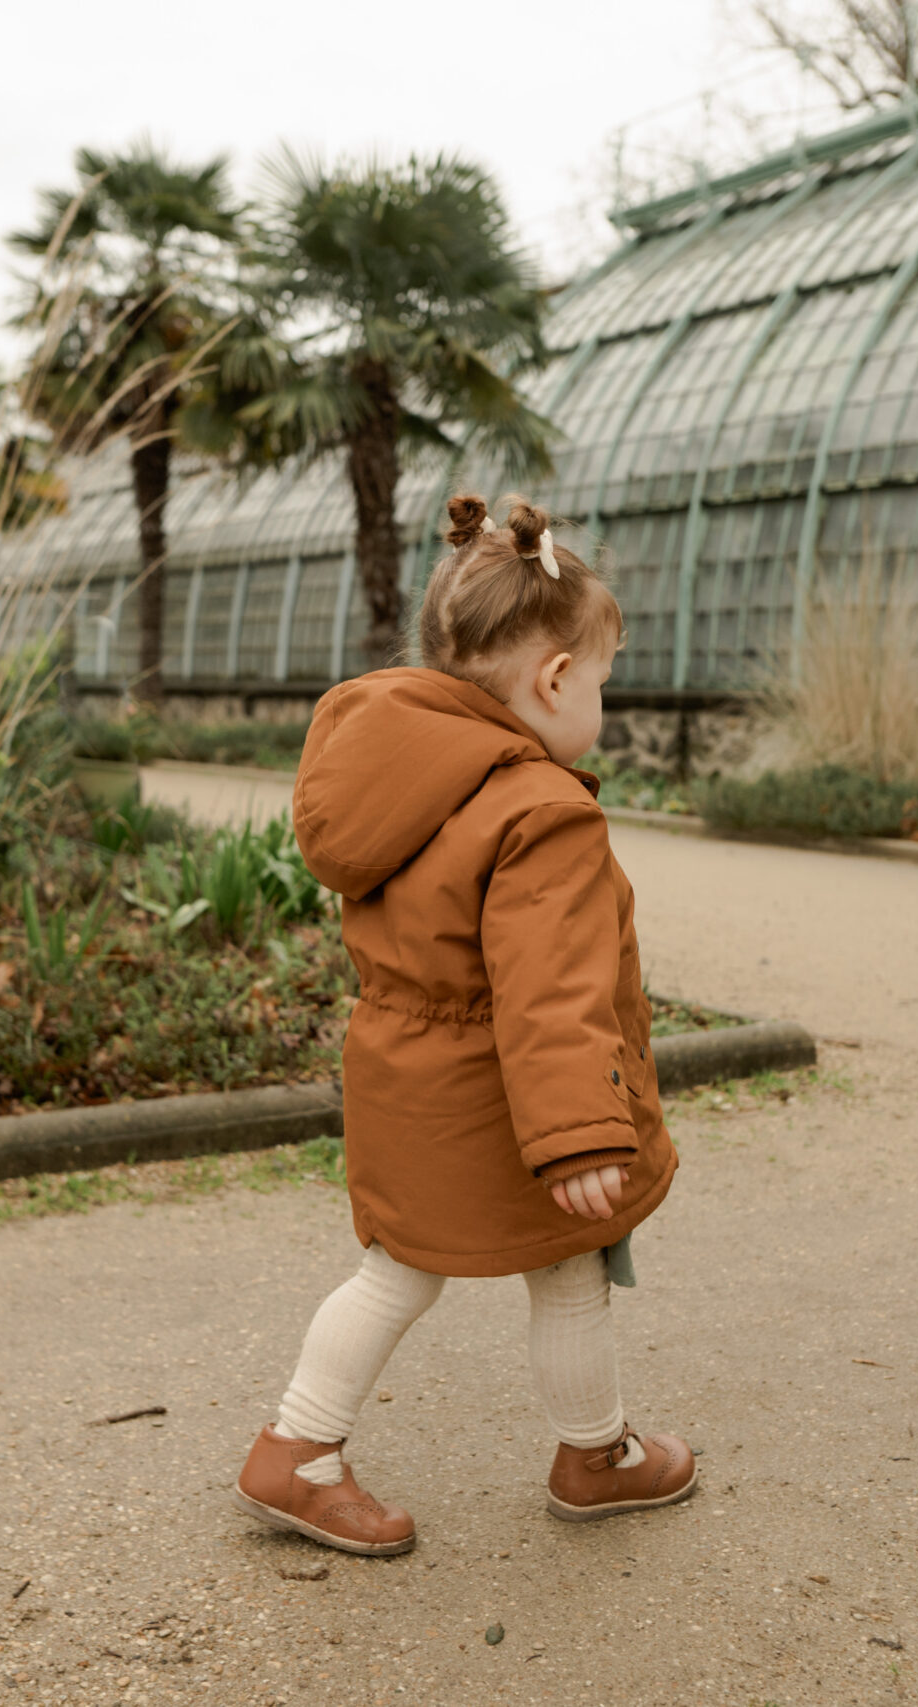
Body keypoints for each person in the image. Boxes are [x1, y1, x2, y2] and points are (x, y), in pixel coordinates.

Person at [232, 495, 695, 1558]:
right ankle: (592, 1458)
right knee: (571, 1266)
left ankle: (304, 1450)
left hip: (402, 1079)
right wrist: (580, 1132)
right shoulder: (542, 809)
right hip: (509, 1100)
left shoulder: (405, 775)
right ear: (552, 680)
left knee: (397, 1269)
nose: (600, 706)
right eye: (602, 684)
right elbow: (552, 989)